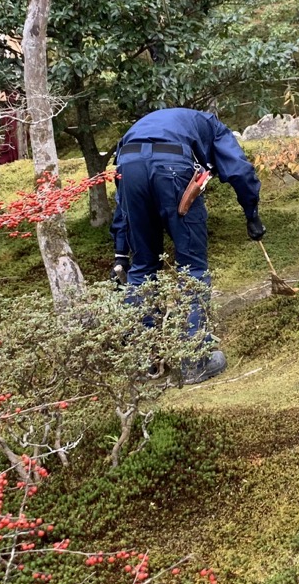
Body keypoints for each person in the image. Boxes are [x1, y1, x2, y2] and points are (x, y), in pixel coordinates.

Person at [109, 107, 266, 385]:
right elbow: (240, 170)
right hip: (173, 168)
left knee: (142, 266)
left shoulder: (150, 122)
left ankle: (145, 364)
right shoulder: (212, 125)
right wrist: (251, 214)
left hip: (128, 165)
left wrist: (121, 253)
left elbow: (122, 205)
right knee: (192, 267)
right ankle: (196, 361)